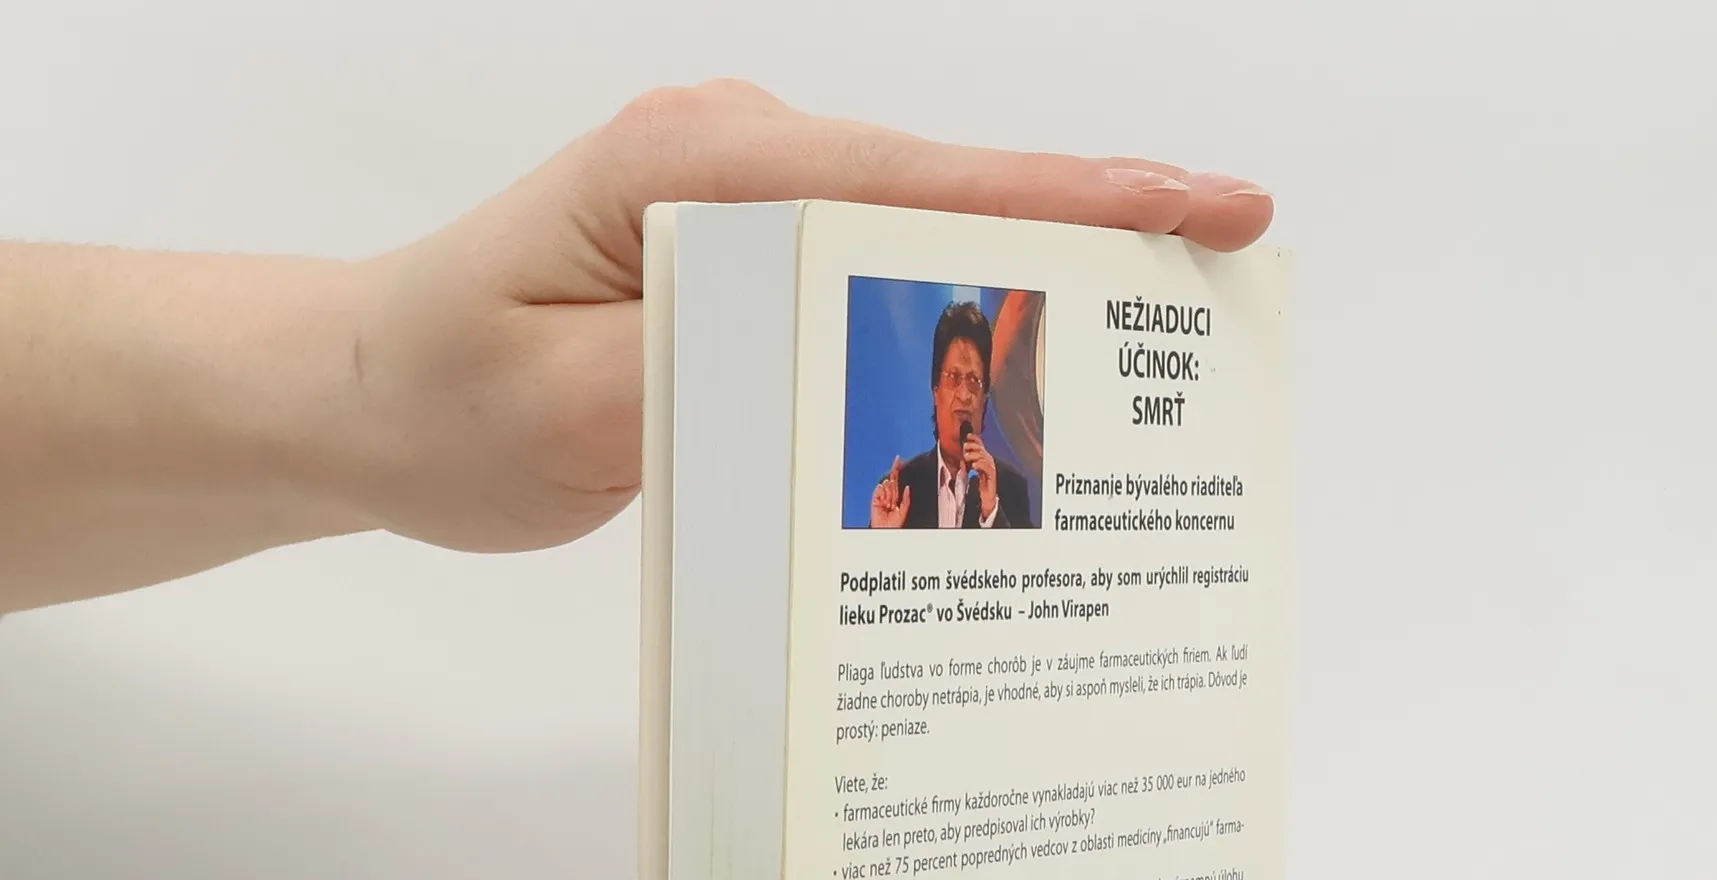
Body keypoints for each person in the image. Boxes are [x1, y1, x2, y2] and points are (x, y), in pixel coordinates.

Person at [0, 81, 1269, 615]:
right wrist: (368, 389)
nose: (959, 398)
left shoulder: (1009, 494)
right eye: (949, 376)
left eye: (970, 382)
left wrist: (368, 384)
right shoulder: (889, 491)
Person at [869, 300, 1032, 529]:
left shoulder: (1010, 489)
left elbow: (1025, 554)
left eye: (974, 380)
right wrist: (882, 537)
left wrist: (991, 513)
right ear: (935, 390)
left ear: (985, 399)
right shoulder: (901, 489)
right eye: (954, 377)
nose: (964, 395)